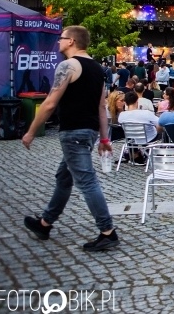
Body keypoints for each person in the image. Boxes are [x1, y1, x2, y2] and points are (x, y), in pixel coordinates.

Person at [21, 26, 120, 251]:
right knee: (64, 178)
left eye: (62, 38)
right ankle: (45, 223)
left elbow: (50, 102)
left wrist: (31, 131)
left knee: (87, 181)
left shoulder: (68, 66)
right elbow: (101, 108)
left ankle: (108, 232)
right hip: (88, 132)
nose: (58, 42)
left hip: (73, 132)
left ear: (72, 42)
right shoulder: (98, 69)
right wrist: (104, 139)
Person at [118, 91, 160, 164]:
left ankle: (137, 153)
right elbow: (160, 123)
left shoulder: (121, 115)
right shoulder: (146, 113)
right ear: (137, 101)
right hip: (149, 138)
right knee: (161, 130)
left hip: (133, 139)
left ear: (125, 102)